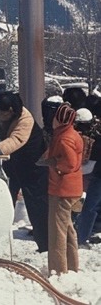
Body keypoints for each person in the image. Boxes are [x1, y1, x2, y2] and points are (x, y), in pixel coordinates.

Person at [0, 91, 48, 252]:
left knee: (35, 201)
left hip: (32, 161)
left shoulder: (25, 118)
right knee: (4, 196)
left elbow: (16, 139)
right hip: (11, 159)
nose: (0, 115)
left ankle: (44, 242)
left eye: (4, 113)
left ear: (12, 110)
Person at [40, 103, 83, 275]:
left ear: (59, 119)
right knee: (67, 228)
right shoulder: (72, 134)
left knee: (57, 231)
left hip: (62, 187)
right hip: (73, 187)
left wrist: (55, 164)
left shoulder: (64, 138)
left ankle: (58, 270)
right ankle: (72, 265)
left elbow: (70, 163)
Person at [74, 95, 101, 245]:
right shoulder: (94, 137)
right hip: (95, 175)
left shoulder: (94, 140)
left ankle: (81, 238)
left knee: (88, 208)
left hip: (96, 176)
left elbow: (89, 165)